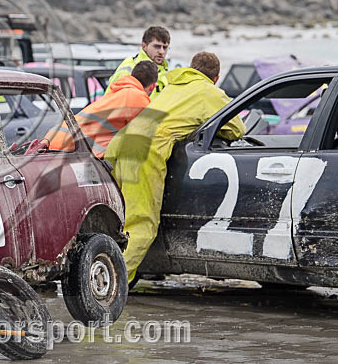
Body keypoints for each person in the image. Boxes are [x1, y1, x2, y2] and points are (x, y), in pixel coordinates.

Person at [104, 52, 246, 283]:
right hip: (145, 151)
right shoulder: (210, 92)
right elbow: (236, 129)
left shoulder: (173, 85)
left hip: (122, 142)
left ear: (191, 68)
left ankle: (100, 268)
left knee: (120, 221)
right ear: (216, 78)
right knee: (142, 225)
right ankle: (112, 283)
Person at [45, 61, 158, 158]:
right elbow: (151, 134)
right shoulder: (138, 98)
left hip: (55, 138)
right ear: (152, 86)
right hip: (69, 149)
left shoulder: (118, 91)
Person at [108, 26, 170, 99]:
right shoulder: (128, 70)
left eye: (165, 47)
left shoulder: (166, 72)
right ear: (144, 46)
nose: (161, 52)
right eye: (157, 46)